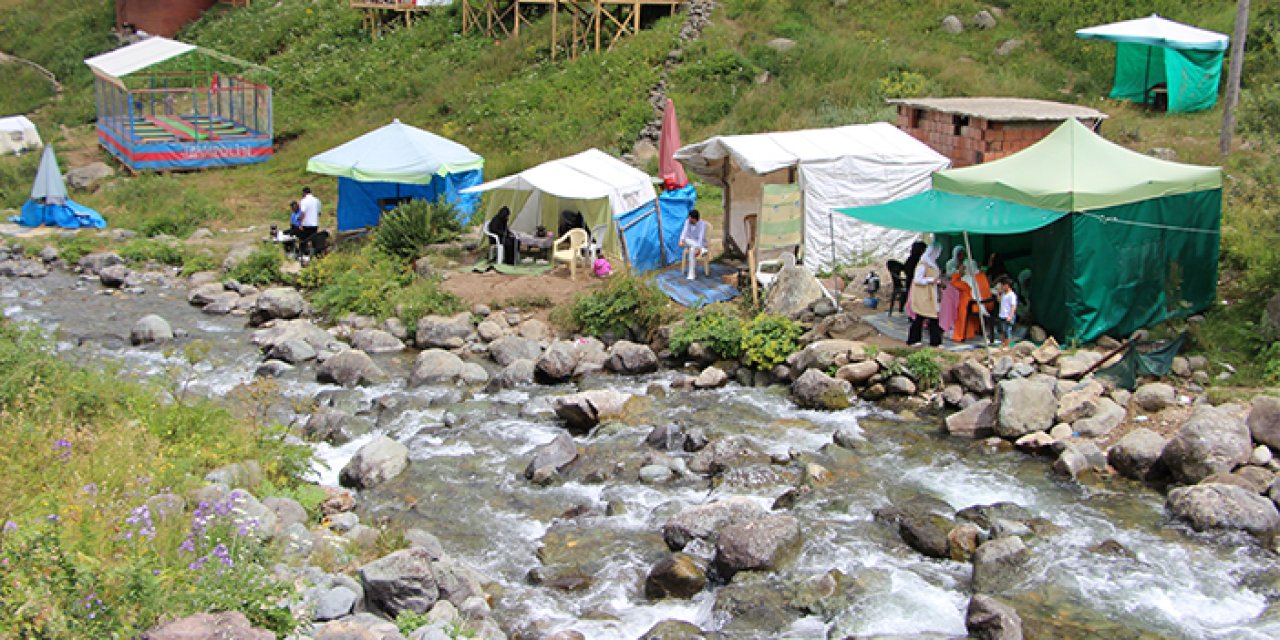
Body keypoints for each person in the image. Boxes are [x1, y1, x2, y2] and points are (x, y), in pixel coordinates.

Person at [907, 243, 943, 347]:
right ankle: (914, 340)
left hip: (931, 292)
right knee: (922, 316)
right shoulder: (923, 264)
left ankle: (935, 342)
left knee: (932, 317)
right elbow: (917, 280)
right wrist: (931, 280)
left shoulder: (932, 264)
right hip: (922, 293)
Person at [950, 258, 994, 343]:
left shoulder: (966, 279)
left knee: (958, 308)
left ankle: (960, 334)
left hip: (973, 306)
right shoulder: (980, 276)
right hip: (984, 303)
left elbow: (954, 283)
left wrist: (957, 273)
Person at [679, 209, 709, 281]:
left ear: (694, 218)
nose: (689, 219)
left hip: (698, 243)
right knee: (687, 240)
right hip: (688, 241)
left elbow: (701, 238)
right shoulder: (687, 221)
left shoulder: (702, 224)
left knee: (693, 249)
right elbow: (684, 231)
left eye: (690, 217)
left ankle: (691, 274)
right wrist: (681, 240)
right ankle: (703, 250)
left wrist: (698, 248)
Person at [992, 274, 1018, 347]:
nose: (1002, 287)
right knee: (1002, 331)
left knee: (1007, 331)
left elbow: (1013, 306)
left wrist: (1010, 316)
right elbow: (999, 300)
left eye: (1003, 285)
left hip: (1008, 316)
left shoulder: (1012, 295)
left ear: (1007, 285)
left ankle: (1007, 345)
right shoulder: (1003, 294)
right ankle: (1003, 343)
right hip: (1002, 315)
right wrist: (998, 293)